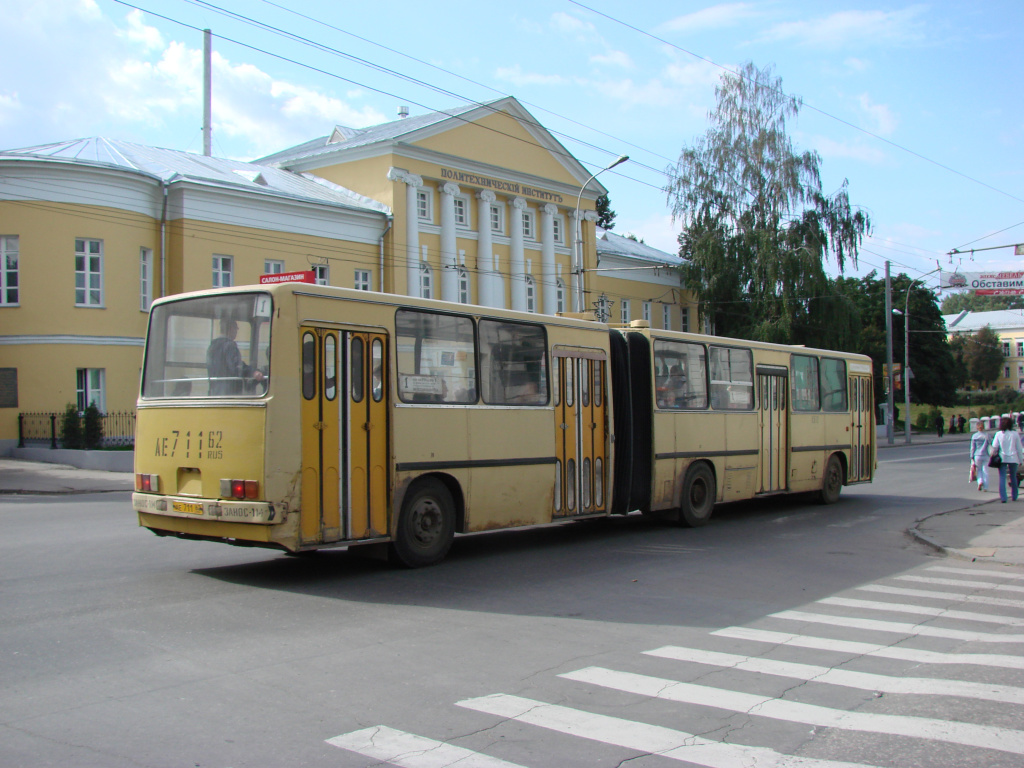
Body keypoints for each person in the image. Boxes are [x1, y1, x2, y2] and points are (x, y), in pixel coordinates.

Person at [207, 318, 264, 395]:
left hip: (215, 391)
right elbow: (236, 366)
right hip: (229, 391)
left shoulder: (212, 346)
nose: (236, 332)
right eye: (236, 329)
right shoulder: (229, 345)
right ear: (231, 328)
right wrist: (252, 372)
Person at [989, 416, 1024, 503]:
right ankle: (1014, 496)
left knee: (1002, 477)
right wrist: (1021, 460)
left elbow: (994, 447)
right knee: (1013, 477)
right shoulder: (1015, 434)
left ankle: (1003, 497)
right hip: (1013, 458)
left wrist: (992, 455)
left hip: (1002, 458)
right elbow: (1019, 448)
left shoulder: (999, 434)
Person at [970, 420, 990, 493]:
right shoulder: (987, 435)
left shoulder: (974, 436)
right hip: (986, 455)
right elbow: (991, 444)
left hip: (977, 455)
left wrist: (971, 456)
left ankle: (980, 481)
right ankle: (986, 487)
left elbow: (973, 447)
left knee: (979, 470)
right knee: (985, 470)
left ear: (977, 427)